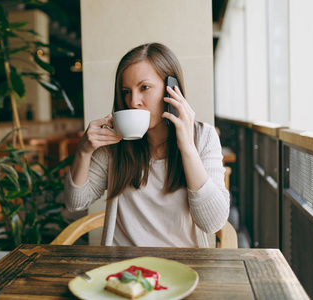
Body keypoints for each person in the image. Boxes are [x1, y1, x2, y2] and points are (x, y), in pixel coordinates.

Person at [64, 43, 229, 247]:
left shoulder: (204, 137)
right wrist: (84, 151)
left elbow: (212, 223)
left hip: (182, 268)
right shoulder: (116, 141)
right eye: (126, 91)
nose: (133, 102)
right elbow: (75, 202)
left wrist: (186, 145)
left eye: (145, 88)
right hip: (122, 270)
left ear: (172, 90)